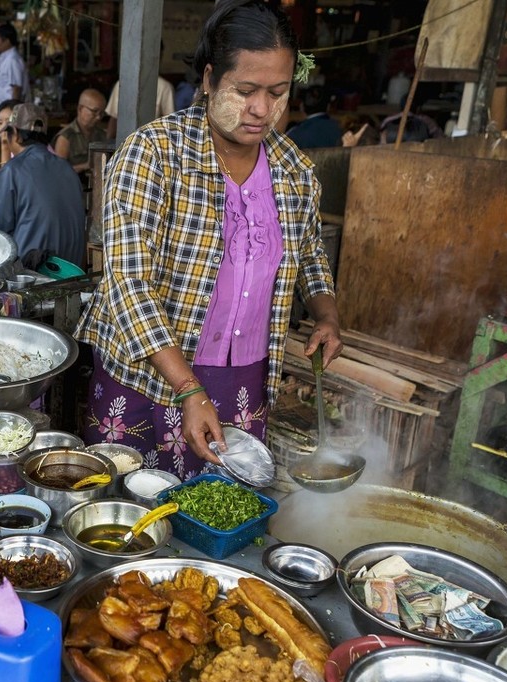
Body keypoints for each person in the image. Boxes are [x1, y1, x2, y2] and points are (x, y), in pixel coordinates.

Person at [75, 0, 343, 479]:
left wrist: (326, 314)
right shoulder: (152, 155)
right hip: (148, 377)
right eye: (245, 90)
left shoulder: (294, 171)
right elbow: (129, 285)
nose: (263, 109)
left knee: (221, 514)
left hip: (242, 375)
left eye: (278, 92)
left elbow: (309, 253)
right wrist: (188, 390)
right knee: (132, 513)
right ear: (208, 79)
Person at [0, 103, 85, 267]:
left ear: (15, 134)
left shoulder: (13, 170)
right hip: (73, 272)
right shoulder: (67, 168)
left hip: (35, 274)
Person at [104, 73, 176, 139]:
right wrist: (108, 144)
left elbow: (169, 122)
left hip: (151, 140)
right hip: (124, 139)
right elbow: (114, 117)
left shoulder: (164, 87)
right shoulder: (122, 83)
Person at [53, 88, 108, 174]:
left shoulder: (102, 135)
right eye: (94, 112)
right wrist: (85, 166)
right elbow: (59, 172)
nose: (98, 117)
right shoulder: (66, 137)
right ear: (80, 109)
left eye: (101, 113)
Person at [0, 22, 29, 102]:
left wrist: (13, 110)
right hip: (2, 107)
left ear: (7, 41)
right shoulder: (3, 57)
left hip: (9, 108)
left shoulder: (13, 59)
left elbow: (16, 88)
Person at [0, 99, 19, 166]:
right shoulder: (6, 144)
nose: (3, 127)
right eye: (0, 123)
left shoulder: (28, 149)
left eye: (9, 122)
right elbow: (5, 174)